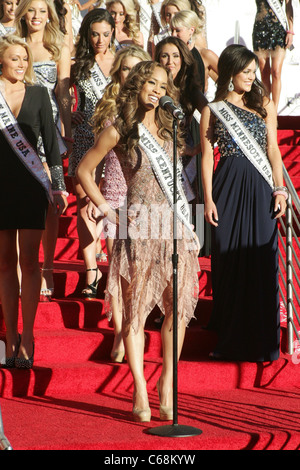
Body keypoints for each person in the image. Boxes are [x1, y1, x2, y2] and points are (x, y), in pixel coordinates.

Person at [76, 61, 199, 422]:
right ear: (137, 84)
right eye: (151, 82)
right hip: (138, 228)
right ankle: (140, 389)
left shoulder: (169, 130)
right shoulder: (121, 129)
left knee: (177, 309)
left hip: (172, 227)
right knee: (135, 314)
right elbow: (85, 170)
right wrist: (108, 210)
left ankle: (167, 380)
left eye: (163, 85)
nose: (157, 90)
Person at [200, 44, 287, 362]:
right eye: (246, 72)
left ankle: (263, 342)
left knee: (261, 261)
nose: (253, 77)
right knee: (230, 259)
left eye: (254, 71)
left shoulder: (265, 103)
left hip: (261, 187)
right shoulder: (214, 108)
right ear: (230, 73)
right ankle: (230, 339)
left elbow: (274, 150)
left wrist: (280, 189)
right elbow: (208, 155)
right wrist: (208, 198)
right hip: (227, 187)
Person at [0, 35, 67, 369]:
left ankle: (28, 337)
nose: (22, 64)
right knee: (3, 261)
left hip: (28, 183)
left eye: (24, 59)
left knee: (29, 260)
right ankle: (10, 336)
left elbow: (52, 144)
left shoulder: (39, 94)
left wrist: (58, 186)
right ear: (2, 60)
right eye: (15, 58)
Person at [91, 45, 151, 362]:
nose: (131, 73)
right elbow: (96, 156)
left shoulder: (151, 108)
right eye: (126, 68)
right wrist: (96, 194)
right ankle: (119, 332)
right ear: (119, 72)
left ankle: (131, 326)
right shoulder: (109, 106)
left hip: (142, 195)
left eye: (137, 68)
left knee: (134, 272)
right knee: (116, 268)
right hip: (114, 189)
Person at [15, 0, 72, 301]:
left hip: (47, 130)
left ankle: (47, 266)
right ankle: (22, 270)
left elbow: (62, 90)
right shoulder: (12, 44)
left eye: (42, 10)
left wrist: (66, 128)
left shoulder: (57, 46)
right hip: (17, 129)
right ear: (23, 13)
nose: (36, 16)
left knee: (50, 201)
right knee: (18, 199)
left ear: (50, 14)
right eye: (31, 10)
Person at [69, 8, 115, 299]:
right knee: (85, 203)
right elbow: (60, 93)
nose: (100, 39)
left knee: (108, 200)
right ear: (87, 34)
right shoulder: (78, 64)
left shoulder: (122, 62)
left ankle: (113, 267)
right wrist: (67, 114)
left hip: (112, 139)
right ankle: (91, 270)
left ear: (113, 33)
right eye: (94, 33)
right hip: (84, 136)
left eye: (105, 34)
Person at [155, 36, 210, 257]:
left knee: (189, 205)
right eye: (165, 56)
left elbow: (210, 113)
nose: (170, 61)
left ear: (183, 60)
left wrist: (197, 148)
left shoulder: (191, 90)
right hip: (158, 157)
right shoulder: (152, 87)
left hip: (186, 163)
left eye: (176, 56)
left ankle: (190, 255)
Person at [252, 0, 294, 111]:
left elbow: (288, 7)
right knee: (263, 71)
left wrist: (290, 30)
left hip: (278, 31)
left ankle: (274, 110)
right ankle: (267, 106)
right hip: (260, 29)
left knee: (276, 71)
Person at [170, 10, 218, 94]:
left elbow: (228, 78)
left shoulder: (205, 55)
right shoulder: (169, 54)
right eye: (172, 30)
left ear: (191, 30)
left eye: (178, 30)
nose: (173, 34)